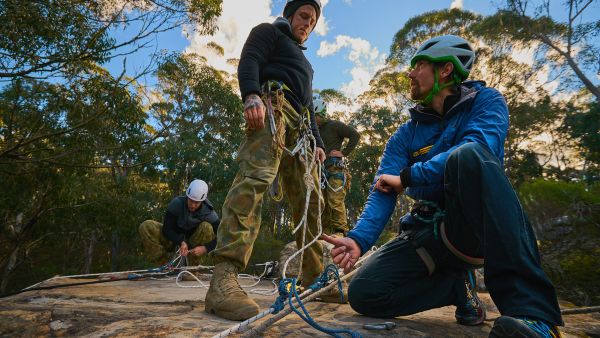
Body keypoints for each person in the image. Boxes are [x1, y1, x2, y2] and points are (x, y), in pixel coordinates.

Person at [322, 35, 563, 337]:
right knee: (365, 293)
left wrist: (409, 177)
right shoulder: (405, 134)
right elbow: (383, 187)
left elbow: (479, 146)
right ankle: (456, 288)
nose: (410, 73)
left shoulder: (487, 102)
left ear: (446, 69)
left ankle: (536, 317)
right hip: (424, 231)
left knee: (469, 155)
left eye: (418, 65)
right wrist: (359, 238)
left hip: (471, 227)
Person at [205, 0, 326, 321]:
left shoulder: (305, 63)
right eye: (304, 16)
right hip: (272, 107)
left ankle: (316, 277)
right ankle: (223, 280)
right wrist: (251, 95)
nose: (308, 24)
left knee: (310, 201)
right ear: (289, 15)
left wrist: (318, 142)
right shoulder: (268, 32)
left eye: (313, 21)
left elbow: (310, 105)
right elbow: (250, 60)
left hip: (302, 128)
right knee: (255, 180)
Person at [139, 179, 219, 266]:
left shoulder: (209, 213)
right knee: (146, 226)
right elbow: (167, 229)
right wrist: (180, 241)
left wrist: (205, 248)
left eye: (196, 202)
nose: (192, 205)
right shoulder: (177, 204)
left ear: (202, 201)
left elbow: (223, 236)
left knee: (207, 227)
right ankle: (164, 265)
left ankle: (193, 267)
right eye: (191, 200)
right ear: (187, 196)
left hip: (193, 246)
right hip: (173, 240)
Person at [313, 93, 360, 237]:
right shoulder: (313, 131)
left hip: (335, 168)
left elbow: (355, 135)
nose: (313, 120)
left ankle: (340, 231)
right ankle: (325, 232)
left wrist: (344, 152)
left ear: (320, 112)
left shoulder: (334, 125)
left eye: (315, 116)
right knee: (323, 202)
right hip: (320, 171)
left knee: (335, 199)